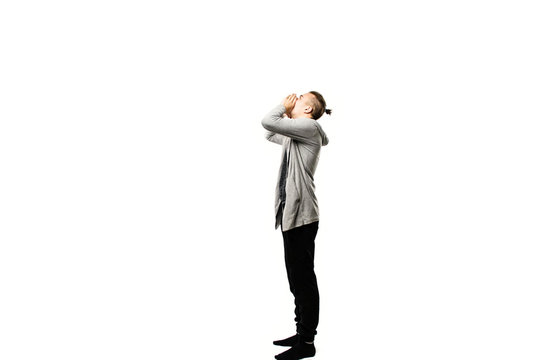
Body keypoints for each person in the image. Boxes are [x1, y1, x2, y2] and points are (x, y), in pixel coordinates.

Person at [261, 91, 331, 360]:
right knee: (296, 279)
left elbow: (268, 121)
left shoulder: (309, 127)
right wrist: (287, 114)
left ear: (309, 110)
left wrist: (282, 108)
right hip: (291, 215)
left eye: (300, 97)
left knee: (303, 280)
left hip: (302, 216)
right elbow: (270, 133)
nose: (294, 97)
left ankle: (307, 342)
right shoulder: (296, 133)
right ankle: (301, 331)